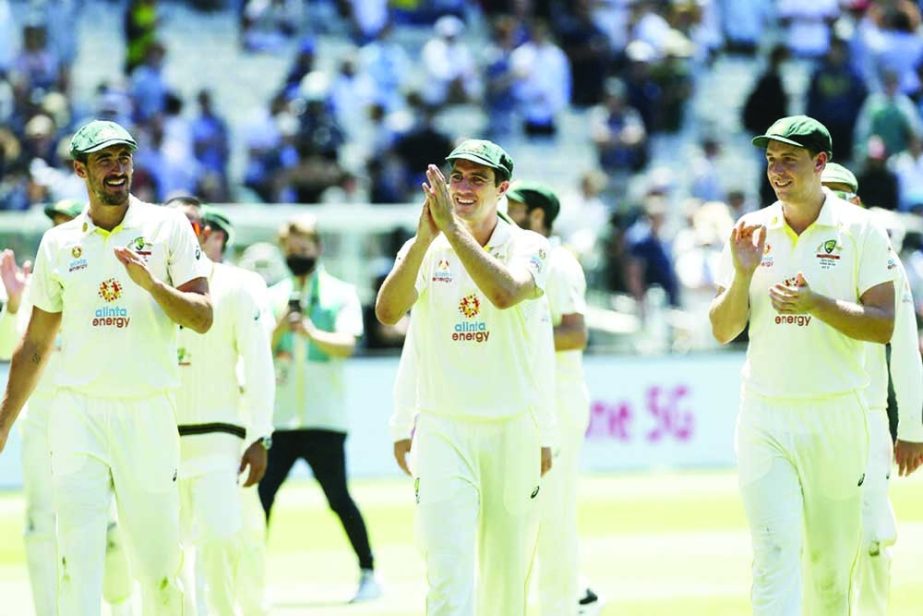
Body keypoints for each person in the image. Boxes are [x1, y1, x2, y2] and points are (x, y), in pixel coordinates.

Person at [0, 119, 213, 615]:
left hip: (147, 411)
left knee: (159, 569)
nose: (117, 169)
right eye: (104, 160)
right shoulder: (58, 243)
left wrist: (153, 287)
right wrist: (5, 420)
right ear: (80, 170)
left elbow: (203, 317)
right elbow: (35, 344)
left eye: (123, 157)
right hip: (78, 415)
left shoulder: (168, 228)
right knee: (75, 559)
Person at [709, 115, 896, 614]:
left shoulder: (861, 230)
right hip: (765, 415)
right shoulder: (750, 230)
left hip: (837, 416)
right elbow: (723, 328)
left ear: (820, 163)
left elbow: (883, 325)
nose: (777, 171)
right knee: (773, 555)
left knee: (831, 573)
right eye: (771, 161)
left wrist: (818, 305)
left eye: (789, 160)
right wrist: (740, 275)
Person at [376, 139, 556, 615]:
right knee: (447, 572)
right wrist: (422, 240)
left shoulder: (530, 246)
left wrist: (451, 232)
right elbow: (388, 311)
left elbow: (505, 292)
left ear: (503, 189)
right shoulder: (426, 247)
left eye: (478, 179)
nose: (464, 187)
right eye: (457, 176)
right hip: (442, 429)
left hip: (511, 430)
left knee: (504, 583)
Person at [0, 199, 134, 616]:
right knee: (42, 523)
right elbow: (11, 350)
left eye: (67, 223)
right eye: (54, 225)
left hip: (97, 416)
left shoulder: (108, 282)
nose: (60, 233)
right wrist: (14, 306)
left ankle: (121, 604)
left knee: (108, 524)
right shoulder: (35, 283)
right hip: (41, 420)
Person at [258, 213, 381, 603]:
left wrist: (309, 332)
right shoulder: (270, 296)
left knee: (338, 498)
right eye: (292, 250)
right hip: (277, 420)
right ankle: (247, 576)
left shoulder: (340, 294)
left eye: (304, 249)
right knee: (260, 498)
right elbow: (255, 348)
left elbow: (347, 344)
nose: (298, 256)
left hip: (324, 418)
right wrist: (280, 327)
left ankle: (368, 572)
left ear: (318, 249)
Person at [819, 163, 923, 615]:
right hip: (812, 415)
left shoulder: (882, 258)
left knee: (875, 537)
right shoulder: (793, 255)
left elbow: (904, 351)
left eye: (840, 195)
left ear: (857, 202)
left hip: (868, 416)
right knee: (820, 544)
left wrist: (913, 427)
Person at [165, 196, 275, 615]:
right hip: (161, 443)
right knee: (163, 557)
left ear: (205, 233)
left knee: (221, 541)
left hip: (219, 440)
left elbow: (259, 365)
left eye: (190, 224)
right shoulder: (144, 285)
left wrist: (260, 434)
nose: (181, 232)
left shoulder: (237, 285)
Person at [504, 182, 600, 615]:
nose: (508, 215)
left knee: (555, 510)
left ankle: (563, 604)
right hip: (528, 398)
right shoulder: (516, 257)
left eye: (518, 209)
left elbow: (576, 332)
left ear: (538, 216)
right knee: (521, 510)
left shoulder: (557, 262)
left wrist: (517, 336)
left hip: (558, 398)